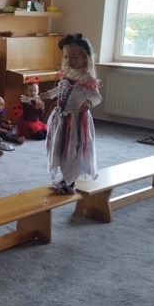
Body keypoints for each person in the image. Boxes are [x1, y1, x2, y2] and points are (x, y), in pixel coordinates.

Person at [40, 33, 102, 194]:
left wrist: (88, 103)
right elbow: (61, 87)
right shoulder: (68, 72)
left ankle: (70, 182)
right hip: (61, 117)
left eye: (74, 58)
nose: (69, 61)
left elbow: (96, 96)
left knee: (72, 151)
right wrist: (50, 94)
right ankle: (65, 178)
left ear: (85, 57)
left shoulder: (86, 76)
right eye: (66, 57)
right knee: (60, 148)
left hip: (75, 121)